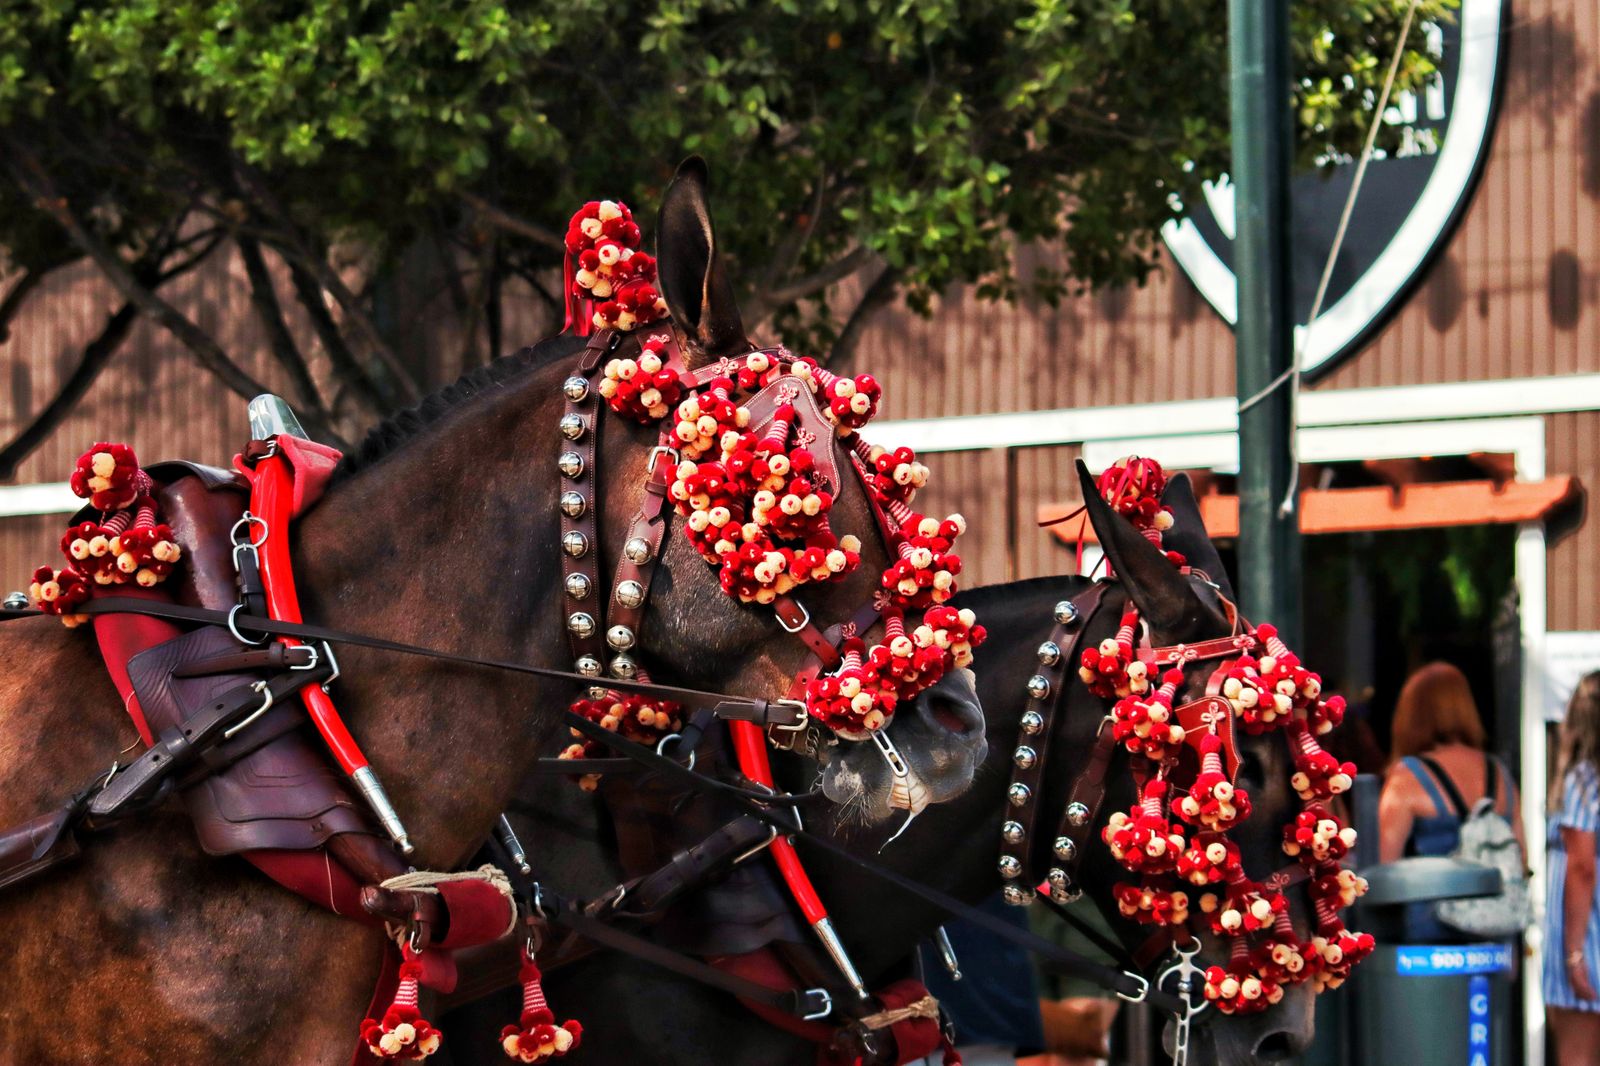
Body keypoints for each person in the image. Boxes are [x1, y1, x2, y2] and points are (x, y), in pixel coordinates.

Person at [1377, 662, 1525, 939]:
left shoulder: (1407, 775)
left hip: (1428, 942)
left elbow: (1383, 867)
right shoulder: (1500, 774)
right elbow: (1521, 857)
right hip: (1493, 934)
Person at [1546, 670, 1600, 1063]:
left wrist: (1574, 954)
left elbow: (1581, 865)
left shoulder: (1583, 781)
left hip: (1589, 938)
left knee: (1577, 1056)